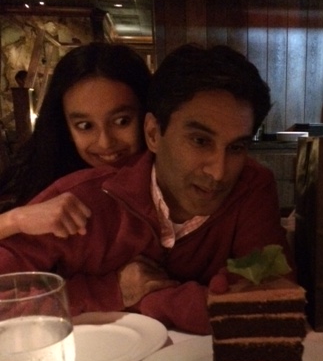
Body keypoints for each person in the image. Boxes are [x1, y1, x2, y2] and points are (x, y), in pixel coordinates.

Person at [0, 43, 292, 335]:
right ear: (152, 133)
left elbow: (271, 299)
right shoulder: (77, 200)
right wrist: (109, 290)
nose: (219, 172)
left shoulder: (251, 185)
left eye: (237, 147)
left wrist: (152, 299)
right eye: (200, 141)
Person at [0, 42, 151, 238]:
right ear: (66, 128)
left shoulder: (172, 187)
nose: (105, 142)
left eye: (122, 121)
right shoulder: (44, 180)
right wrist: (16, 220)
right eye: (85, 126)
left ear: (149, 119)